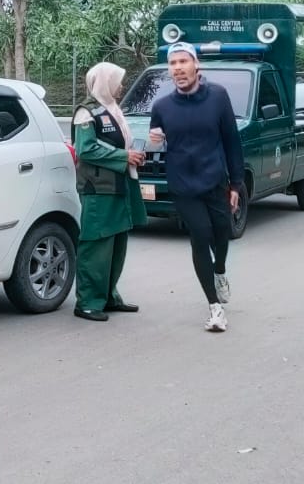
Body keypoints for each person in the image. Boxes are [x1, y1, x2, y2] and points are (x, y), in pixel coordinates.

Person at [148, 42, 244, 333]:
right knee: (200, 236)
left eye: (183, 62)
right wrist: (154, 142)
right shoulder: (161, 107)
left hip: (215, 180)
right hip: (182, 184)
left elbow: (231, 141)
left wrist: (236, 183)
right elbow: (156, 140)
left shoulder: (218, 97)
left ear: (196, 65)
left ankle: (220, 271)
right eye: (173, 63)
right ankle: (215, 307)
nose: (178, 68)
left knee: (222, 232)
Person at [70, 62, 148, 322]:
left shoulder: (113, 110)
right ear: (105, 81)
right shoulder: (86, 112)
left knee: (116, 243)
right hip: (98, 188)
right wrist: (124, 156)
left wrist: (132, 157)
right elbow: (86, 149)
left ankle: (108, 297)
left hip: (118, 184)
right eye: (117, 80)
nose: (122, 85)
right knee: (96, 245)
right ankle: (88, 302)